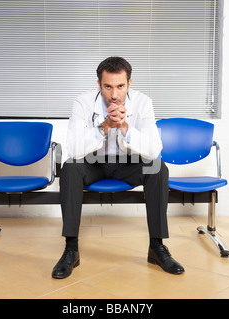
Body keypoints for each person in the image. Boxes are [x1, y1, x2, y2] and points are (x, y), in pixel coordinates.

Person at [52, 56, 184, 279]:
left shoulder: (143, 103)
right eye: (108, 86)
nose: (114, 94)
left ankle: (157, 247)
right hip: (93, 164)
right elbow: (73, 149)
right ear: (99, 84)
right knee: (70, 166)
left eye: (120, 86)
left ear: (129, 84)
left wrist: (124, 127)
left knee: (157, 168)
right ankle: (71, 249)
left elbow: (153, 149)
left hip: (128, 164)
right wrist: (104, 126)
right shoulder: (82, 102)